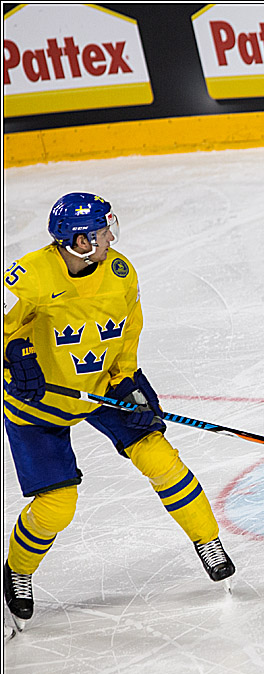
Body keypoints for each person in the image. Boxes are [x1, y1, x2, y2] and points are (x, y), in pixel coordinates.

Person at [3, 192, 234, 631]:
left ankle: (209, 542)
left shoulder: (120, 272)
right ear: (80, 241)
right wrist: (16, 354)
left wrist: (128, 378)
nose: (112, 236)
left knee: (159, 456)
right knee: (57, 507)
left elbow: (130, 329)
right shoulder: (28, 276)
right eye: (102, 231)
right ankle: (17, 571)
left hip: (101, 386)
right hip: (37, 402)